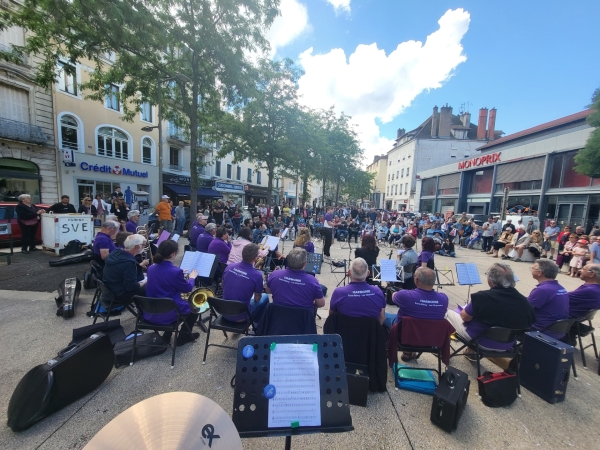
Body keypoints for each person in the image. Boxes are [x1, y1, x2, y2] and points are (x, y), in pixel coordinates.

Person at [445, 263, 535, 354]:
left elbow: (465, 317)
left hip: (481, 340)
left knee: (447, 313)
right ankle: (470, 353)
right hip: (508, 345)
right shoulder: (525, 302)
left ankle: (444, 352)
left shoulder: (483, 297)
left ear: (491, 280)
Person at [384, 268, 449, 360]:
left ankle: (388, 350)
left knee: (383, 315)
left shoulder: (405, 295)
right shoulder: (444, 299)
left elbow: (394, 296)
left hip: (404, 335)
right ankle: (408, 353)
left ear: (417, 280)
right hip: (431, 338)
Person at [145, 240, 200, 346]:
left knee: (169, 299)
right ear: (173, 254)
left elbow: (163, 279)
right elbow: (187, 288)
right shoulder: (175, 272)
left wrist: (179, 274)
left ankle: (167, 335)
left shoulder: (151, 268)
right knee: (196, 306)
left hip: (151, 311)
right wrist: (192, 278)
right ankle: (183, 336)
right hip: (168, 313)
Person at [222, 243, 269, 326]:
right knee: (265, 297)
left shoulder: (229, 267)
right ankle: (257, 327)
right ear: (255, 258)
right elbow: (257, 299)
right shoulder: (257, 275)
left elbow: (223, 286)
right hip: (241, 317)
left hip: (223, 312)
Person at [329, 258, 385, 324]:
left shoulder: (338, 292)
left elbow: (331, 316)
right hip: (370, 333)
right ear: (368, 273)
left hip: (344, 332)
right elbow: (382, 317)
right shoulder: (378, 291)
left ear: (349, 272)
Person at [102, 234, 148, 306]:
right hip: (120, 294)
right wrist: (146, 281)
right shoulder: (129, 263)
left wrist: (142, 275)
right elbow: (132, 287)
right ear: (136, 247)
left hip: (110, 289)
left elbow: (121, 272)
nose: (144, 247)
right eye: (143, 245)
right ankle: (150, 310)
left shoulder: (116, 252)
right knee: (152, 286)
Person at [528, 259, 569, 338]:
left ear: (540, 273)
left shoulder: (542, 290)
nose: (531, 270)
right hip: (557, 329)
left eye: (532, 268)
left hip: (541, 330)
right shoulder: (560, 288)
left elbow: (525, 309)